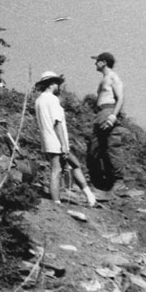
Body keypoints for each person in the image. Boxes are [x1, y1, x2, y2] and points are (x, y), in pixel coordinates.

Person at [33, 71, 97, 207]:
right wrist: (64, 145)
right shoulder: (52, 99)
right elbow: (57, 123)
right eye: (57, 83)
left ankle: (89, 197)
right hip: (56, 141)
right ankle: (57, 202)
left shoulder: (39, 100)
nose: (59, 86)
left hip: (47, 140)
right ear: (51, 84)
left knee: (73, 164)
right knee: (57, 170)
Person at [87, 52, 126, 194]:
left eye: (97, 61)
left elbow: (120, 98)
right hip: (101, 113)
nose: (95, 63)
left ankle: (118, 182)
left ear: (103, 62)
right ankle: (100, 183)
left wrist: (113, 117)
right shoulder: (104, 79)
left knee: (112, 146)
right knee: (95, 149)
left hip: (109, 111)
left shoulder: (112, 77)